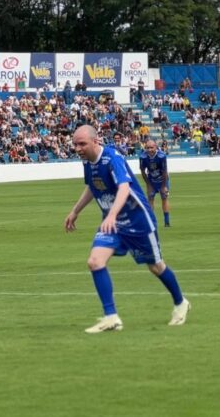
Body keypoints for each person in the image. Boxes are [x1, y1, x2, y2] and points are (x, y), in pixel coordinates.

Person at [64, 125, 190, 333]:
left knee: (156, 266)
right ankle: (111, 317)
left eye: (82, 144)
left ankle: (180, 302)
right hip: (112, 224)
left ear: (95, 141)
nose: (77, 148)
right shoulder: (88, 161)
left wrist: (112, 214)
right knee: (95, 262)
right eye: (75, 144)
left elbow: (124, 186)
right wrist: (75, 211)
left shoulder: (112, 158)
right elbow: (92, 187)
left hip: (138, 221)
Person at [139, 139, 171, 227]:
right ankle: (152, 222)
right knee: (150, 199)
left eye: (151, 148)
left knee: (164, 198)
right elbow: (142, 171)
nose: (149, 150)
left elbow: (165, 172)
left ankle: (167, 222)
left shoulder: (162, 156)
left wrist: (164, 186)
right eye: (147, 148)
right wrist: (148, 185)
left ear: (156, 147)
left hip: (163, 180)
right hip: (152, 180)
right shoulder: (143, 157)